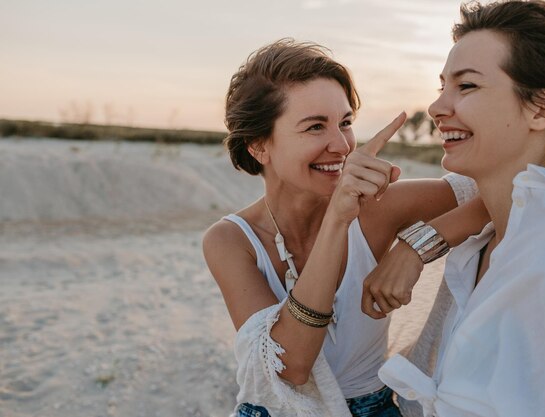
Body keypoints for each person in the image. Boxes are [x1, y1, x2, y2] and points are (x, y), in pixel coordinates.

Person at [363, 1, 545, 416]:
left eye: (466, 86)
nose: (436, 108)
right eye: (442, 87)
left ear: (544, 108)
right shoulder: (490, 241)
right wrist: (417, 244)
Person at [203, 39, 489, 417]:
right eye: (315, 127)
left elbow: (499, 194)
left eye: (346, 123)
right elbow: (291, 366)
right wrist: (337, 218)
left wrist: (415, 249)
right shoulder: (231, 240)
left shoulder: (379, 208)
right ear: (259, 146)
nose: (341, 145)